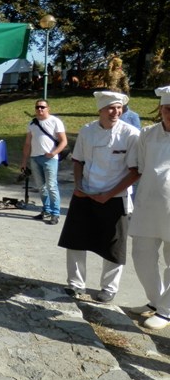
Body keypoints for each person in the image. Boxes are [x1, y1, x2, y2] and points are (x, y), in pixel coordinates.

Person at [58, 91, 140, 303]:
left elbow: (135, 171)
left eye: (119, 108)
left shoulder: (131, 134)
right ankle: (75, 284)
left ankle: (109, 288)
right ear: (100, 110)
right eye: (111, 108)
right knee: (75, 241)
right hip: (85, 193)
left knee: (114, 246)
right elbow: (78, 161)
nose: (115, 112)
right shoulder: (87, 131)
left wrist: (108, 195)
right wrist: (78, 186)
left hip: (116, 197)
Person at [128, 86, 170, 330]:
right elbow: (142, 166)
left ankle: (166, 310)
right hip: (148, 204)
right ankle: (156, 300)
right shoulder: (147, 134)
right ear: (160, 109)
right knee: (141, 255)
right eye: (167, 108)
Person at [20, 99, 68, 225]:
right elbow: (27, 143)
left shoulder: (55, 121)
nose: (40, 109)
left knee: (51, 186)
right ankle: (46, 210)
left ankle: (55, 213)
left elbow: (64, 141)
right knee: (41, 187)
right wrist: (24, 161)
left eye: (42, 107)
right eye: (37, 107)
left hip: (50, 159)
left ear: (48, 108)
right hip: (35, 158)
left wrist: (54, 153)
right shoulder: (32, 123)